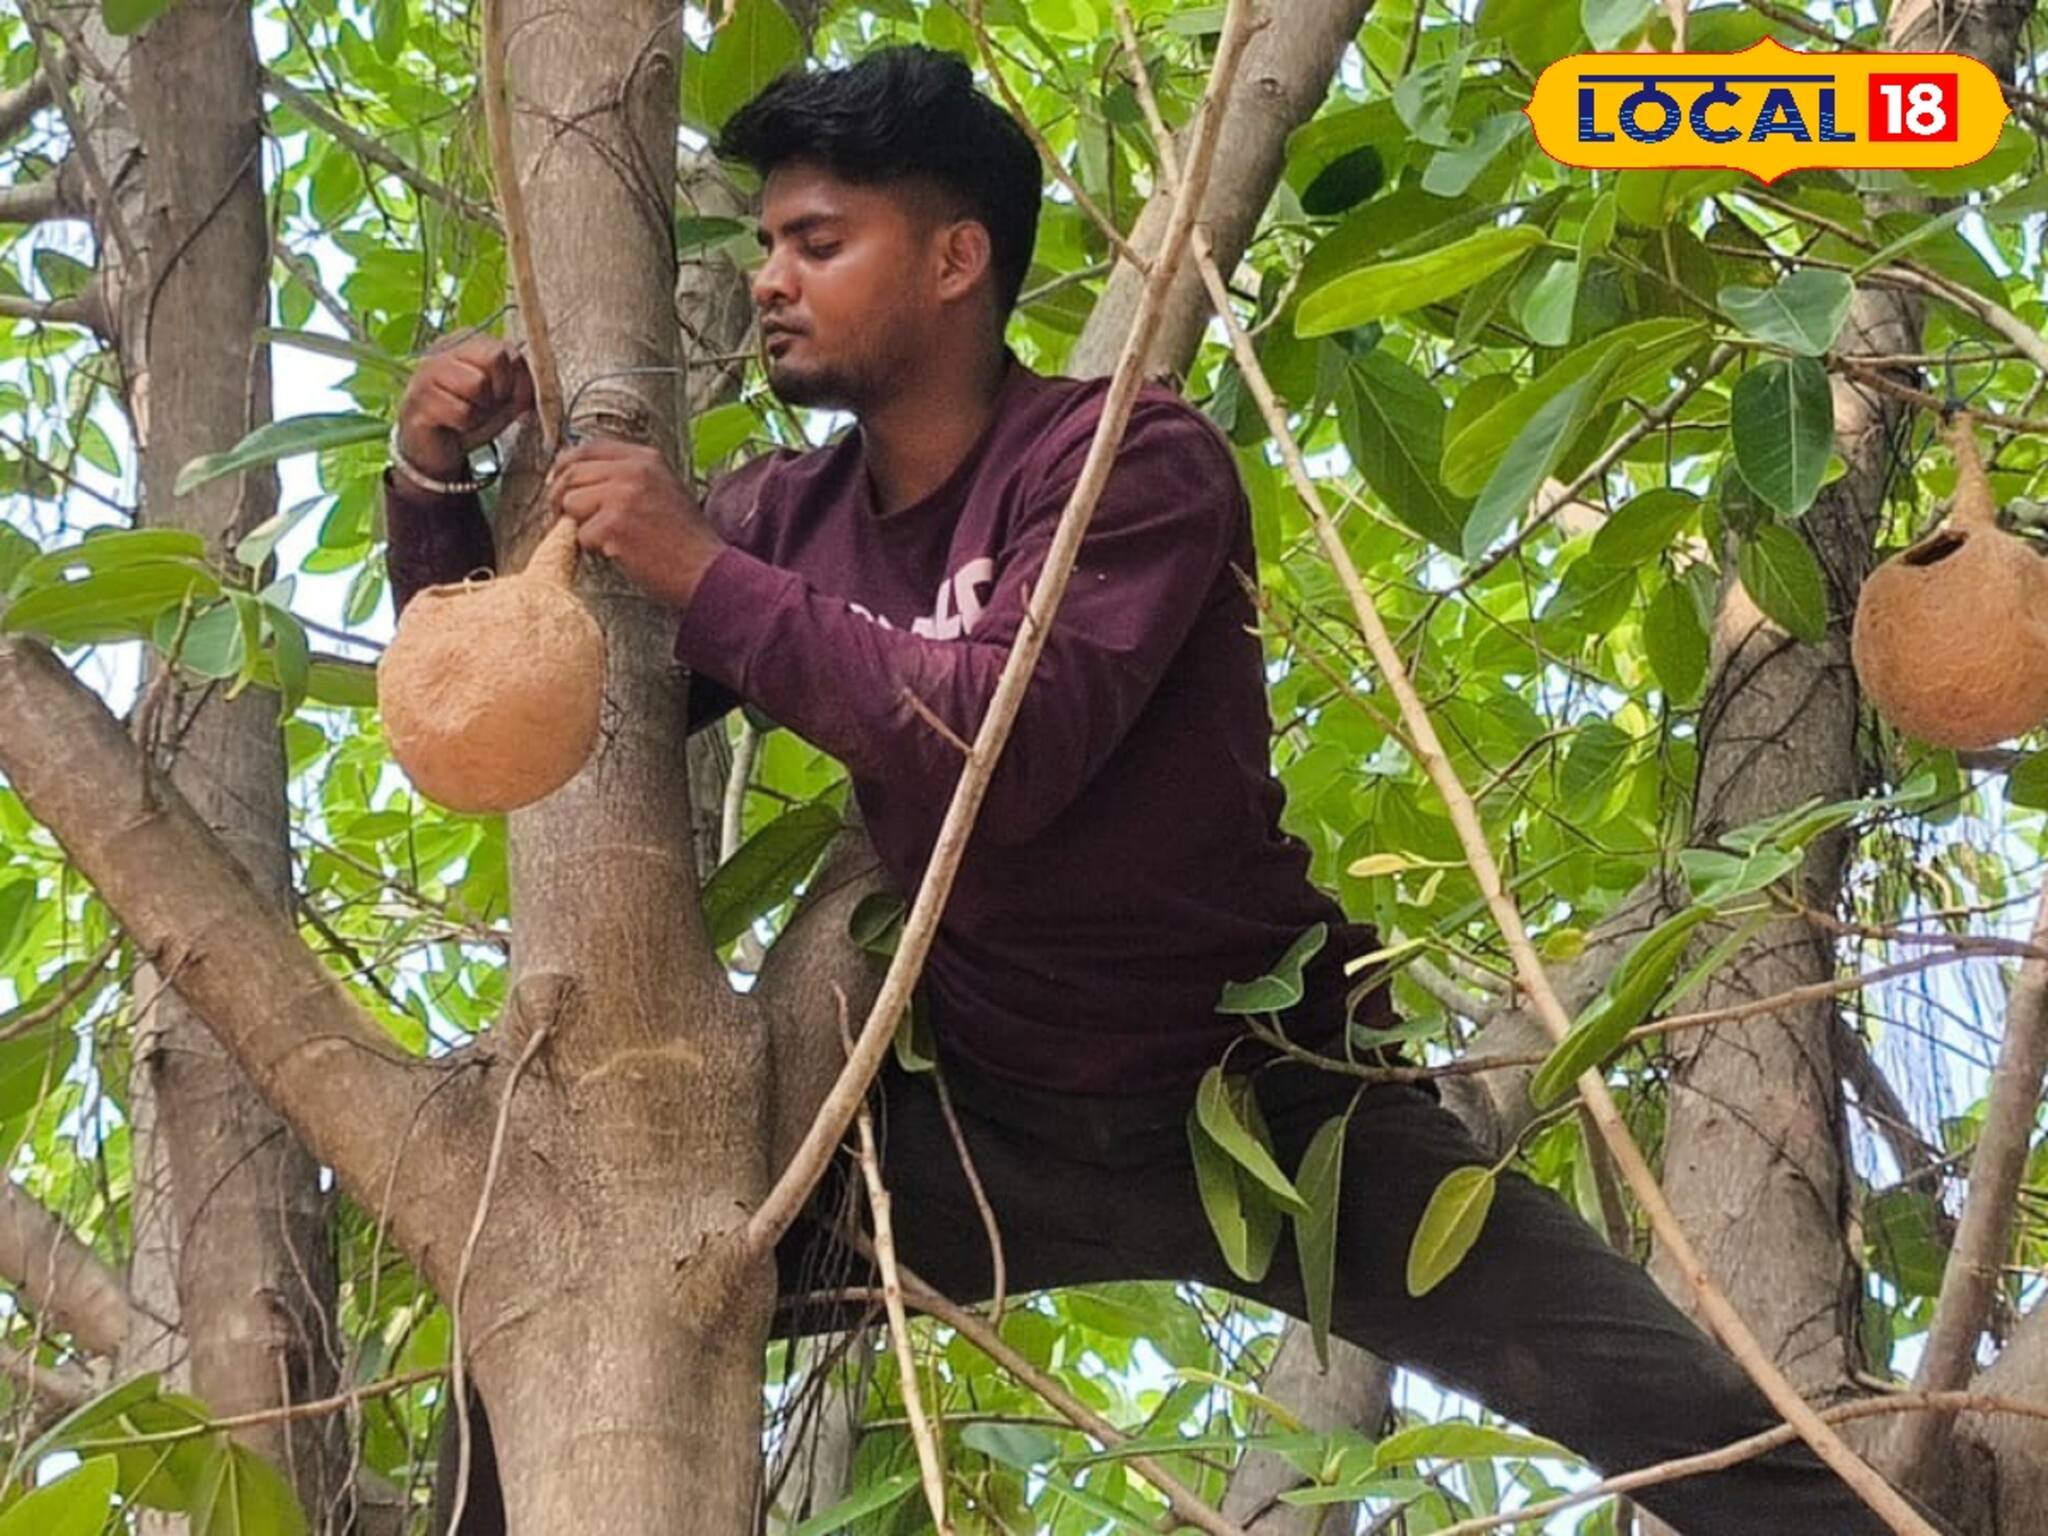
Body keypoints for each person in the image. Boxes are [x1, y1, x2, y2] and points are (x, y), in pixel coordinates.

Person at [383, 44, 1955, 1536]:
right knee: (562, 1293)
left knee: (1672, 1407)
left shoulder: (1131, 459)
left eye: (815, 242)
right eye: (769, 244)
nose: (773, 284)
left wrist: (701, 568)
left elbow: (1013, 742)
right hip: (981, 1113)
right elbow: (542, 717)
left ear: (954, 260)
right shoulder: (788, 515)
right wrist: (436, 490)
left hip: (1274, 1095)